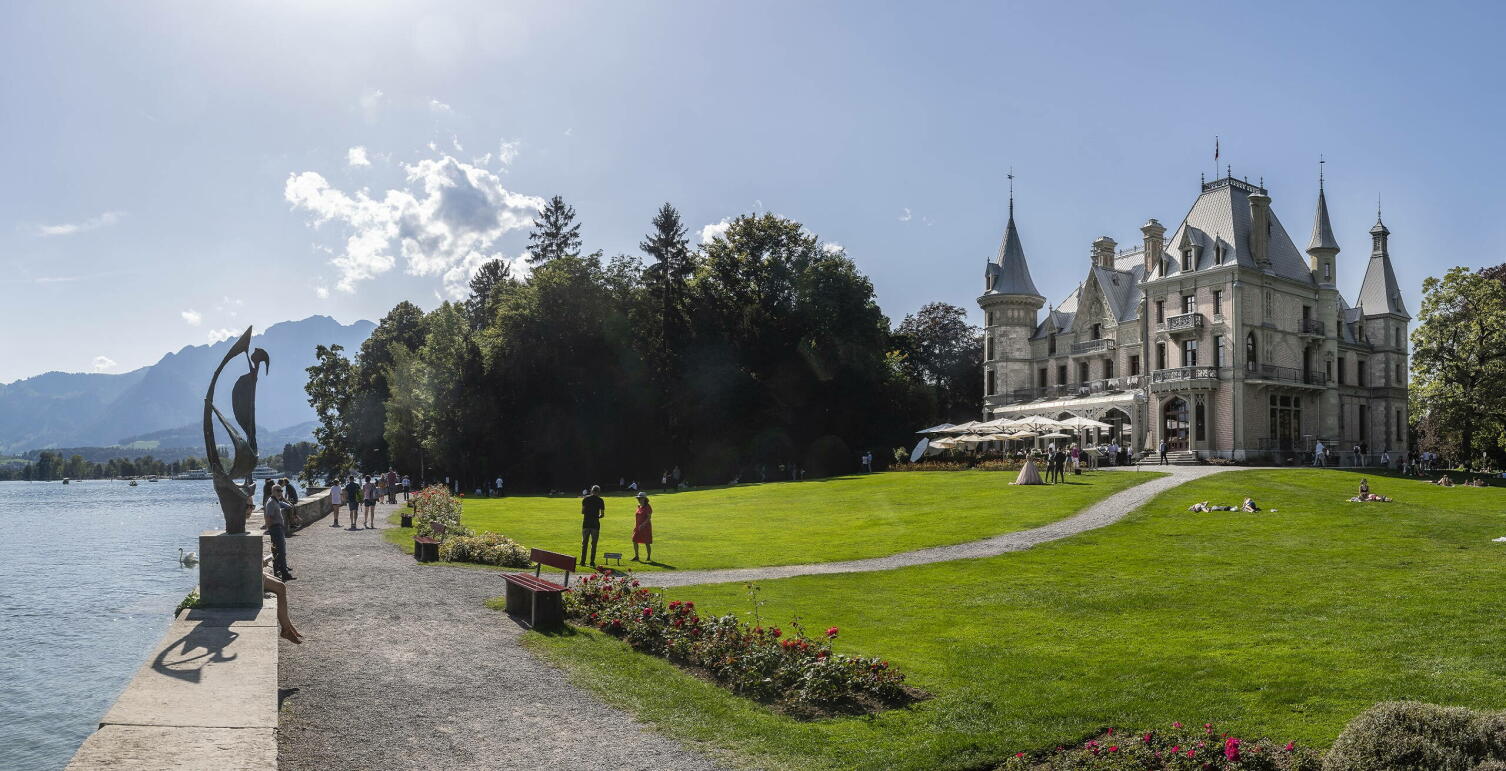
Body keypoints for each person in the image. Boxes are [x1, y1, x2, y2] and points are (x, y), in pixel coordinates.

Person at [264, 482, 294, 581]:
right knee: (280, 551)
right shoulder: (271, 502)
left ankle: (279, 571)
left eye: (281, 490)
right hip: (275, 528)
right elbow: (268, 517)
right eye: (278, 490)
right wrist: (270, 529)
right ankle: (284, 574)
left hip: (279, 528)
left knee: (280, 550)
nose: (280, 492)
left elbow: (286, 506)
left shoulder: (275, 501)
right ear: (272, 491)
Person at [580, 485, 605, 566]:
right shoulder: (600, 500)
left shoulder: (585, 499)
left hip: (586, 523)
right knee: (593, 544)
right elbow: (602, 514)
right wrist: (597, 516)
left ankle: (582, 561)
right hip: (595, 524)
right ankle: (592, 562)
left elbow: (582, 511)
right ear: (598, 491)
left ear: (591, 490)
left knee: (584, 544)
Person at [631, 491, 653, 562]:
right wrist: (636, 525)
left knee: (647, 542)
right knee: (634, 540)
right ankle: (637, 556)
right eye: (638, 498)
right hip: (637, 527)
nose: (639, 499)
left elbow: (649, 518)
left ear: (644, 499)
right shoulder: (639, 506)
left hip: (645, 527)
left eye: (641, 498)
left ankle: (648, 557)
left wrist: (643, 525)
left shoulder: (648, 507)